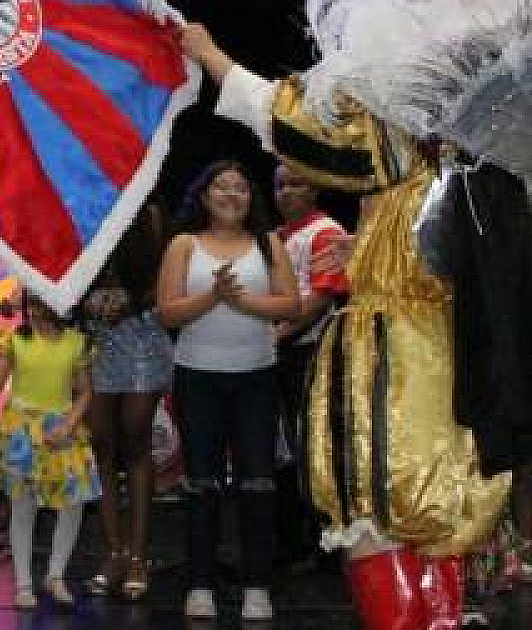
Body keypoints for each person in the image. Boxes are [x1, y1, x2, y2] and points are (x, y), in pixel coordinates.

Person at [178, 20, 511, 630]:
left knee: (380, 495)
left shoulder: (416, 130)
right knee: (425, 507)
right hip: (440, 343)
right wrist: (376, 243)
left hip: (405, 351)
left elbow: (318, 139)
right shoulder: (475, 146)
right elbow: (437, 229)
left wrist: (219, 65)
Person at [156, 160, 299, 620]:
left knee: (258, 481)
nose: (232, 195)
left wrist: (241, 302)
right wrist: (213, 298)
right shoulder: (183, 244)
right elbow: (168, 312)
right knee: (202, 484)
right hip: (198, 376)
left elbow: (291, 305)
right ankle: (200, 585)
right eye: (222, 187)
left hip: (255, 376)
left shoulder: (268, 242)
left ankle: (257, 586)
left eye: (241, 188)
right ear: (204, 196)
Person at [0, 292, 100, 608]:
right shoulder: (15, 339)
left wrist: (68, 424)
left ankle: (55, 575)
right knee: (23, 507)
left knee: (72, 503)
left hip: (61, 428)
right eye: (33, 303)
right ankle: (23, 582)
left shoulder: (76, 342)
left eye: (45, 302)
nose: (39, 310)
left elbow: (84, 393)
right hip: (22, 431)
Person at [79, 202, 172, 600]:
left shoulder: (147, 213)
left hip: (141, 335)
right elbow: (64, 274)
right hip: (97, 339)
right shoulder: (79, 204)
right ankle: (113, 552)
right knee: (99, 442)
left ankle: (137, 555)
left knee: (135, 437)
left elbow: (167, 281)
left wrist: (128, 302)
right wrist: (88, 301)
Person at [272, 164, 350, 572]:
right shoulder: (279, 236)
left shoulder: (327, 233)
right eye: (280, 185)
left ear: (316, 189)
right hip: (282, 352)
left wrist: (275, 336)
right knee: (285, 452)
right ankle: (292, 543)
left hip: (309, 353)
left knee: (312, 448)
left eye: (297, 184)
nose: (286, 193)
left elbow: (319, 300)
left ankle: (323, 546)